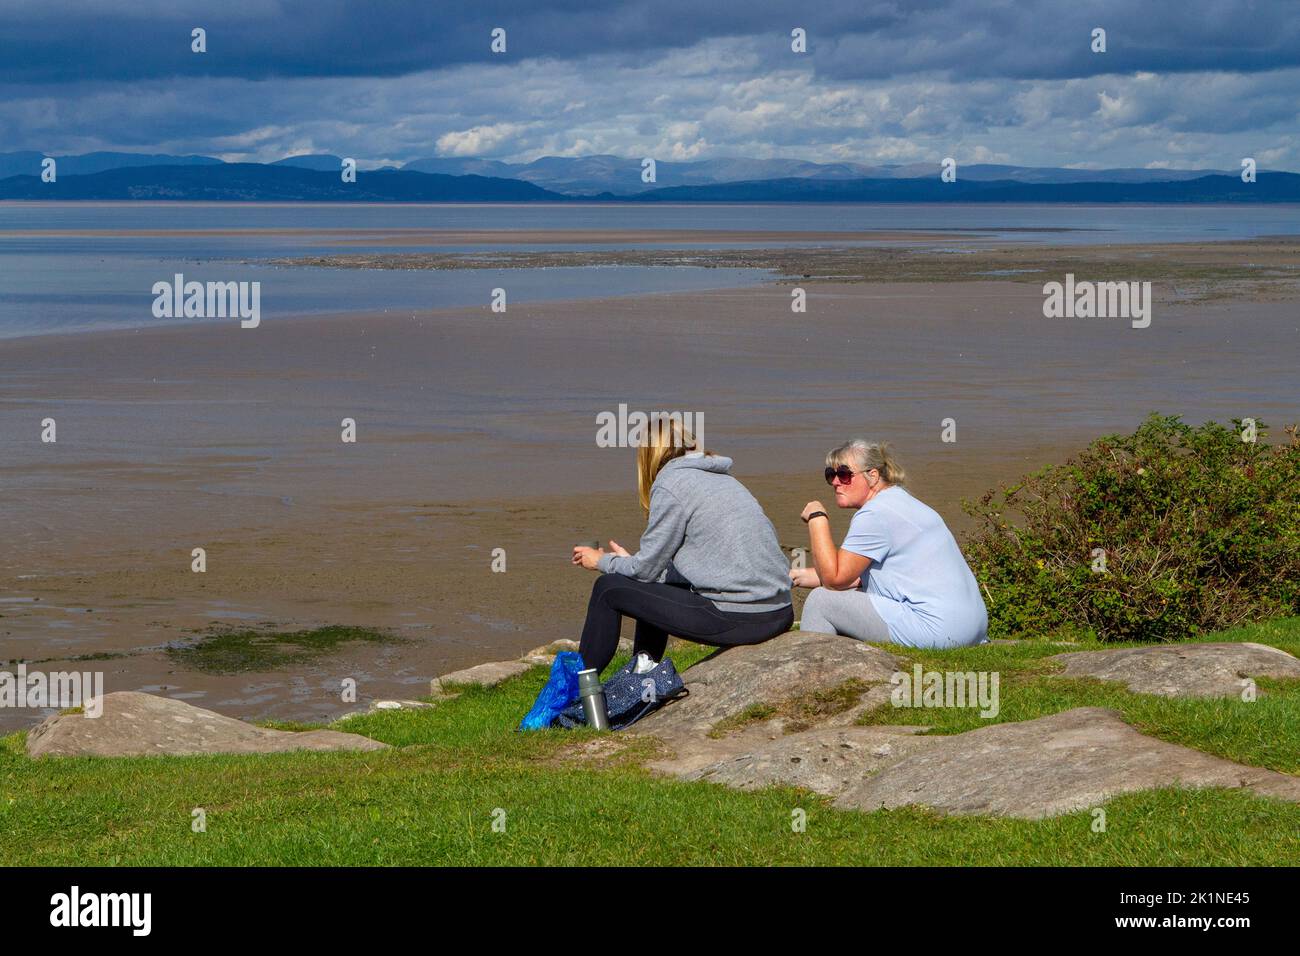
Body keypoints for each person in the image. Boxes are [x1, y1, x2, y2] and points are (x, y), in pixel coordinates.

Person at [572, 416, 794, 675]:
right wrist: (629, 567)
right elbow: (674, 569)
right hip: (779, 612)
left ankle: (577, 690)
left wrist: (601, 561)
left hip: (741, 618)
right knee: (648, 586)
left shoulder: (670, 484)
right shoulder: (723, 478)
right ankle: (640, 679)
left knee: (607, 589)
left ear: (649, 456)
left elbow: (644, 571)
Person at [791, 438, 988, 649]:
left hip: (937, 630)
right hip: (970, 627)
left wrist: (817, 518)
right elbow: (857, 574)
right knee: (840, 595)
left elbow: (834, 579)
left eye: (844, 474)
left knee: (821, 601)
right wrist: (797, 576)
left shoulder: (875, 514)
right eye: (831, 475)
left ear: (873, 475)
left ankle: (814, 672)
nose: (836, 482)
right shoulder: (901, 502)